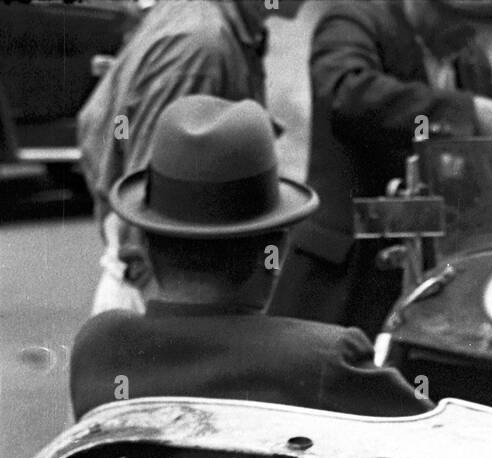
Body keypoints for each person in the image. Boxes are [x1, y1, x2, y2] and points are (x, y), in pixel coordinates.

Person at [70, 96, 431, 421]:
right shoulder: (325, 360)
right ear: (274, 253)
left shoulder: (98, 348)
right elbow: (437, 446)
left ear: (146, 246)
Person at [269, 0, 492, 338]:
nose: (467, 35)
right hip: (344, 264)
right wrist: (460, 111)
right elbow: (345, 94)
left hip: (423, 266)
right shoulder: (357, 20)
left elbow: (487, 143)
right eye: (454, 19)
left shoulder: (468, 57)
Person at [77, 0, 303, 314]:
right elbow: (151, 201)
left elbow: (99, 126)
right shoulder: (202, 46)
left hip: (172, 294)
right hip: (166, 298)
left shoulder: (209, 24)